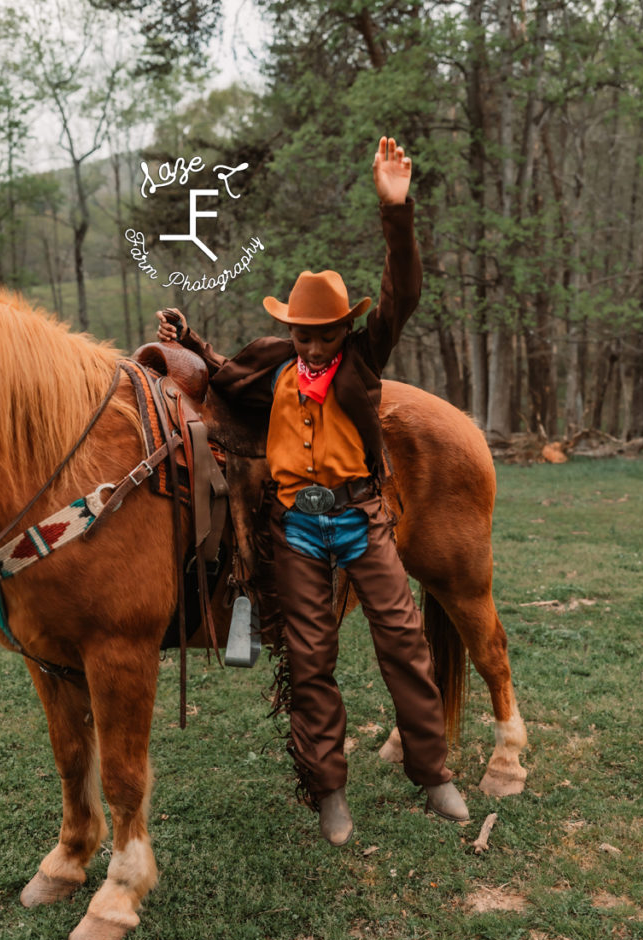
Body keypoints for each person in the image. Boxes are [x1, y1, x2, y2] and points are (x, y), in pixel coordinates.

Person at [156, 136, 469, 845]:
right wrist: (191, 338)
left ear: (344, 328)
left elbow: (404, 291)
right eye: (303, 332)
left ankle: (433, 773)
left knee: (403, 642)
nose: (313, 344)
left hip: (360, 520)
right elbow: (224, 373)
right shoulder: (274, 368)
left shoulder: (363, 357)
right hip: (296, 526)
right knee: (308, 659)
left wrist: (397, 212)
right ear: (291, 328)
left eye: (325, 332)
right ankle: (328, 790)